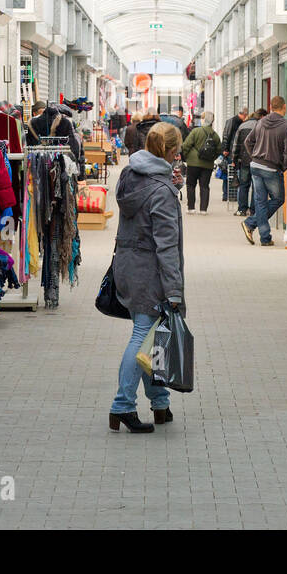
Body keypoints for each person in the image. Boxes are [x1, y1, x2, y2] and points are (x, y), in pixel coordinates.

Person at [109, 122, 185, 434]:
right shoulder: (161, 191)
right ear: (169, 152)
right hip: (150, 272)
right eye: (176, 151)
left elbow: (142, 206)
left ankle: (160, 401)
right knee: (143, 335)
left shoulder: (130, 174)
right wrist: (175, 291)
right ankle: (122, 406)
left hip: (127, 266)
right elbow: (166, 246)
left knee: (154, 336)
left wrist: (171, 185)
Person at [241, 96, 287, 246]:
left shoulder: (261, 122)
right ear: (284, 107)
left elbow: (247, 141)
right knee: (278, 199)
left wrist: (254, 156)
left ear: (271, 106)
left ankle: (264, 236)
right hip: (271, 167)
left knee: (260, 202)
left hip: (255, 165)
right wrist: (283, 166)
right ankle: (251, 224)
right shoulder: (285, 125)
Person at [180, 111, 220, 214]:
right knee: (205, 186)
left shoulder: (195, 131)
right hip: (208, 164)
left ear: (203, 120)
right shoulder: (215, 135)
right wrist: (212, 158)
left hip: (193, 163)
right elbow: (219, 150)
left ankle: (191, 208)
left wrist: (186, 157)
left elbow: (186, 145)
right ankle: (203, 209)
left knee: (191, 185)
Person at [230, 109, 265, 215]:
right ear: (262, 116)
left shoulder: (242, 126)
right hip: (257, 161)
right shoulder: (261, 126)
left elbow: (236, 145)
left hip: (244, 160)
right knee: (256, 186)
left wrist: (234, 159)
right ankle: (253, 210)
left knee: (243, 185)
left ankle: (242, 209)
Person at [220, 108, 248, 202]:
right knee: (229, 173)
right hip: (231, 151)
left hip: (233, 151)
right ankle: (227, 195)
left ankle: (229, 195)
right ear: (244, 114)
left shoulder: (234, 121)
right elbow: (226, 135)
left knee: (230, 173)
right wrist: (225, 149)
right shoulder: (233, 121)